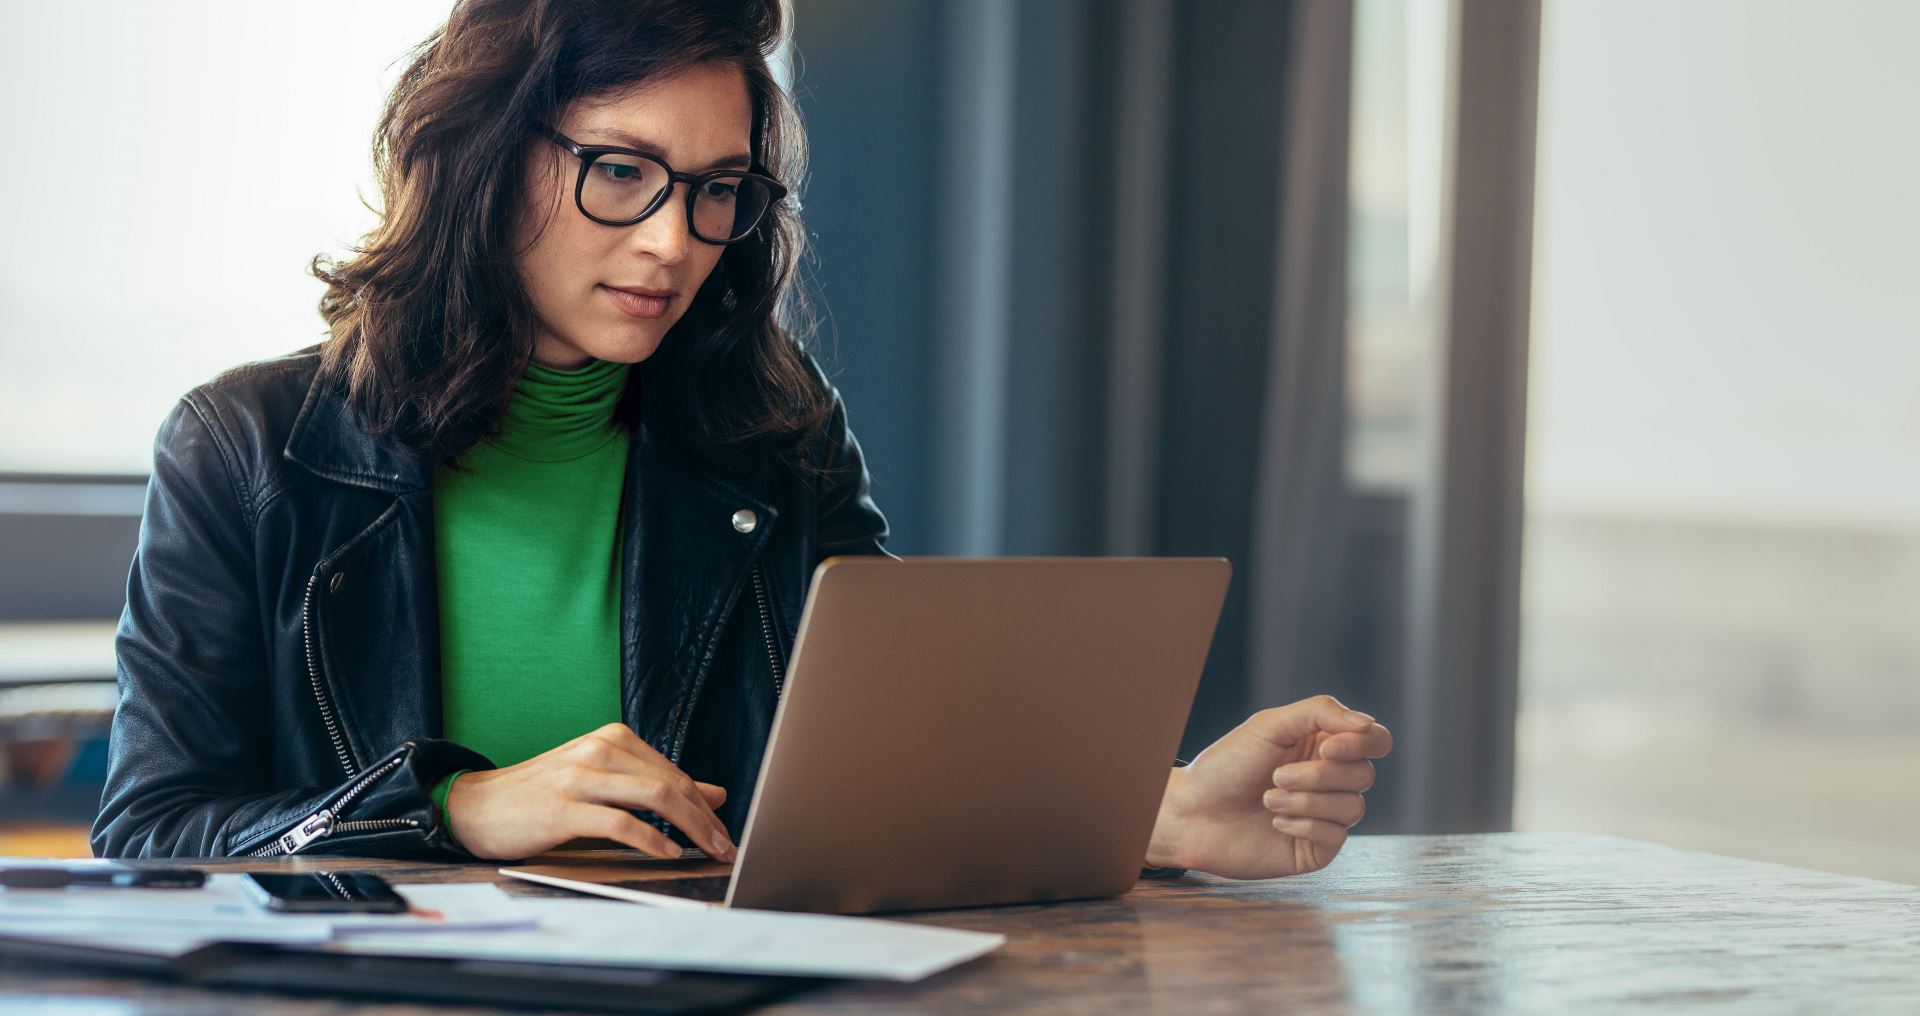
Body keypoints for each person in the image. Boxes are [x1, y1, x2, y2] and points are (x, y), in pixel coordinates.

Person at [91, 0, 1392, 880]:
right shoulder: (249, 449)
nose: (673, 240)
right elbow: (151, 834)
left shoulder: (770, 429)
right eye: (620, 170)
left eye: (718, 190)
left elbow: (891, 762)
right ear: (483, 157)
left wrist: (1158, 812)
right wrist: (453, 812)